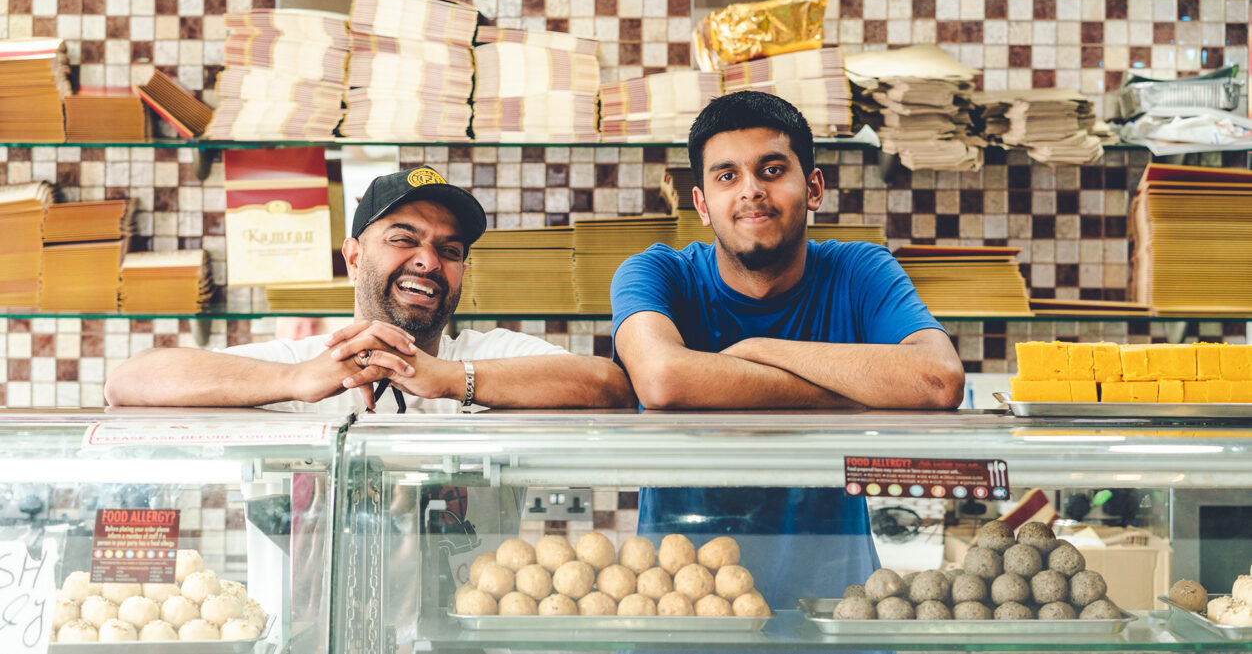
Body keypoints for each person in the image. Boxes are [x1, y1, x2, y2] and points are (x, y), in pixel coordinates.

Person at [610, 91, 965, 607]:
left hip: (835, 609)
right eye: (727, 176)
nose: (751, 191)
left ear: (814, 187)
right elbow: (663, 380)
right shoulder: (656, 273)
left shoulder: (860, 270)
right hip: (685, 604)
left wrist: (758, 348)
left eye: (772, 169)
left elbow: (937, 381)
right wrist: (855, 395)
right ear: (702, 205)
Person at [106, 165, 635, 412]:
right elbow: (128, 383)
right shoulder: (298, 363)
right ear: (354, 257)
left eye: (451, 251)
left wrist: (449, 378)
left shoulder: (487, 356)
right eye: (404, 238)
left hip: (459, 633)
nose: (429, 261)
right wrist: (297, 379)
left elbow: (608, 385)